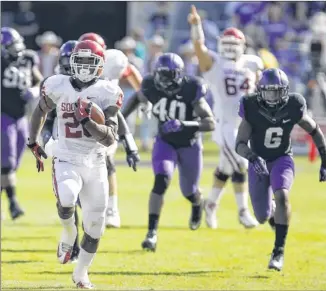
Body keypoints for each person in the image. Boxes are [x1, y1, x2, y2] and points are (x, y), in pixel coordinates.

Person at [27, 40, 122, 288]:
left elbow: (110, 136)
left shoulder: (107, 91)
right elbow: (40, 110)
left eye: (90, 62)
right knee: (67, 197)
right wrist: (32, 141)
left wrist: (87, 122)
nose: (84, 67)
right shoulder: (57, 84)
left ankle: (81, 273)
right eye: (80, 60)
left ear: (100, 66)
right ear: (71, 61)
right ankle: (69, 232)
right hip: (66, 156)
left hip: (96, 162)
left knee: (95, 224)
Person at [122, 53, 216, 251]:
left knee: (188, 190)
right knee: (161, 180)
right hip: (165, 142)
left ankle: (197, 203)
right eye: (161, 74)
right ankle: (152, 232)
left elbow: (210, 123)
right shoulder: (151, 85)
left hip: (190, 144)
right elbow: (136, 99)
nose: (163, 79)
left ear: (179, 75)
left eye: (168, 75)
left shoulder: (192, 88)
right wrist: (119, 119)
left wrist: (185, 124)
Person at [235, 68, 326, 271]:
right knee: (261, 216)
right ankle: (275, 211)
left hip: (282, 158)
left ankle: (278, 252)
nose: (272, 97)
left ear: (284, 91)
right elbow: (239, 143)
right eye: (268, 91)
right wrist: (251, 156)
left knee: (282, 195)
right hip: (258, 161)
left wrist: (324, 159)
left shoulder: (294, 105)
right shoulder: (251, 106)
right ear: (260, 91)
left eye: (276, 92)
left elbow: (314, 130)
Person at [189, 5, 261, 229]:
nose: (230, 48)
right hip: (225, 124)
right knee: (241, 164)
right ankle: (243, 211)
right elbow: (199, 47)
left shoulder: (252, 62)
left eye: (234, 44)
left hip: (245, 123)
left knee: (225, 169)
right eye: (226, 44)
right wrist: (196, 26)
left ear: (242, 46)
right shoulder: (215, 63)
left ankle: (210, 205)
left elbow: (256, 87)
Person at [78, 32, 141, 228]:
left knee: (106, 161)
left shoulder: (114, 61)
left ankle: (112, 209)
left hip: (107, 118)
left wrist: (143, 95)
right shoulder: (74, 65)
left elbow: (130, 72)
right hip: (79, 121)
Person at [41, 40, 80, 263]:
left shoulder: (97, 84)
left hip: (90, 149)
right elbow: (47, 118)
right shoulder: (54, 83)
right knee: (69, 200)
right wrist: (46, 137)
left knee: (90, 204)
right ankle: (72, 242)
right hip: (64, 148)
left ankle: (80, 248)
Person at [1, 27, 43, 220]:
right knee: (7, 164)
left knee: (14, 164)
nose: (16, 48)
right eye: (11, 45)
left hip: (21, 117)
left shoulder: (27, 58)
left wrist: (35, 90)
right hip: (3, 115)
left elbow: (39, 80)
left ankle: (8, 200)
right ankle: (13, 204)